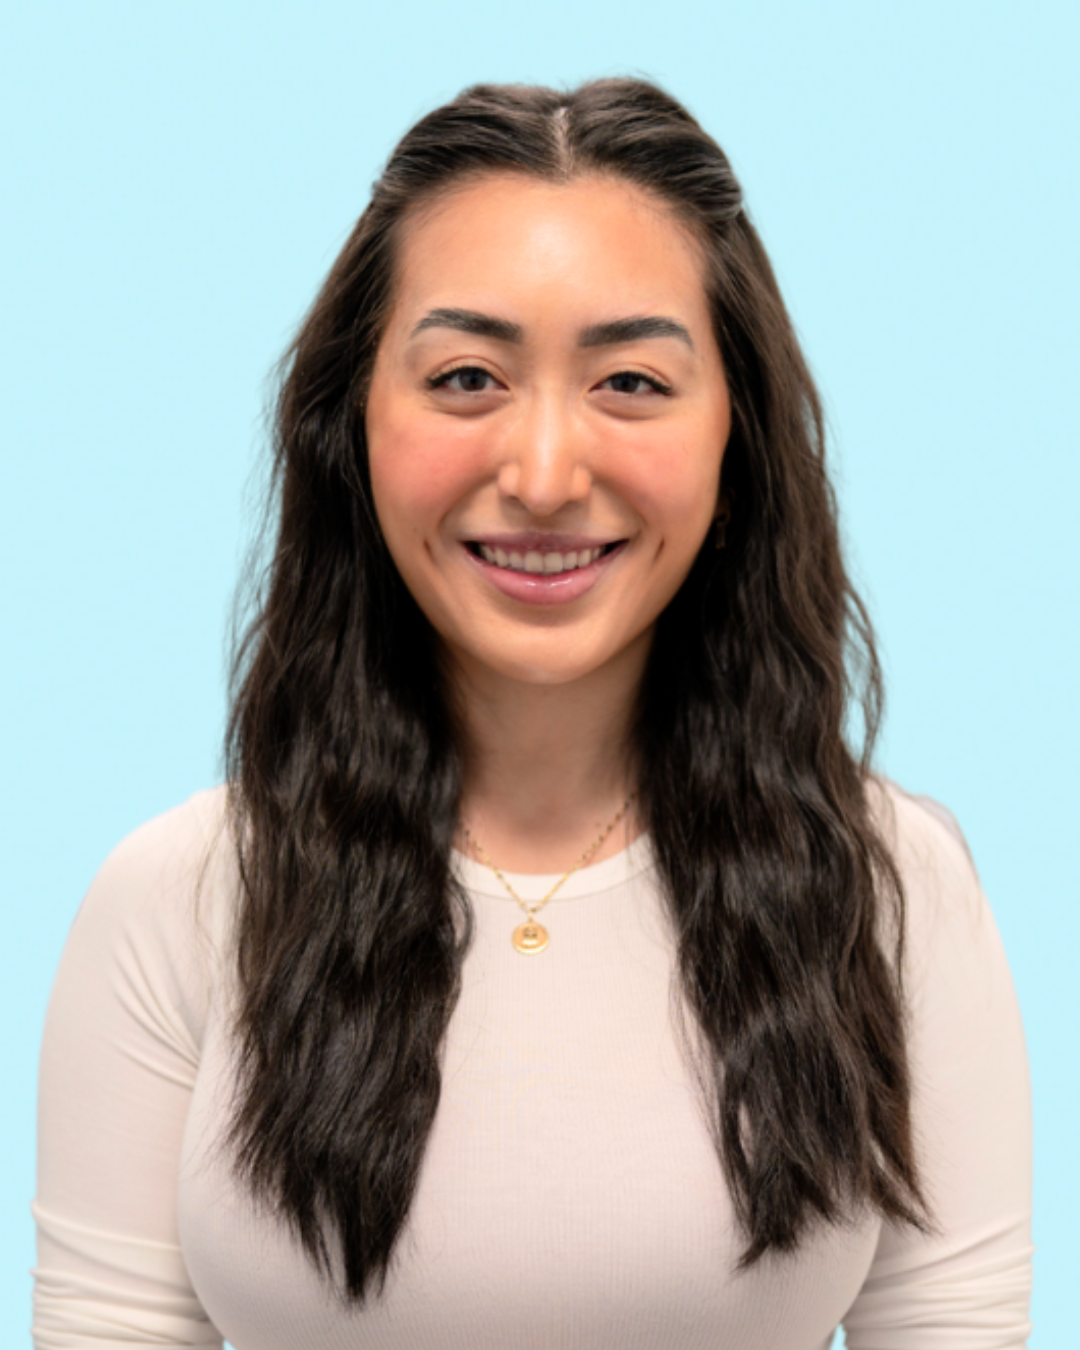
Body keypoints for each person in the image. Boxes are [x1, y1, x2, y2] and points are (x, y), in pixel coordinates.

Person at [32, 78, 1032, 1349]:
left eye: (630, 382)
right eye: (465, 377)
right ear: (353, 428)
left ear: (739, 436)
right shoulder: (178, 897)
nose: (547, 476)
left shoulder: (894, 889)